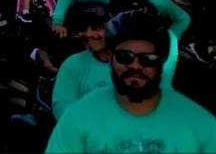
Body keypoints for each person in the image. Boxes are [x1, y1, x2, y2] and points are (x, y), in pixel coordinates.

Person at [46, 10, 216, 153]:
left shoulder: (200, 124)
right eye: (124, 57)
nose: (135, 66)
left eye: (147, 59)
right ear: (111, 59)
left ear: (162, 62)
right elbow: (61, 104)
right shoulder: (77, 118)